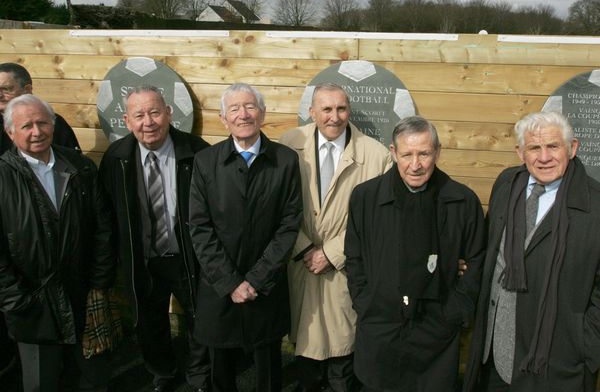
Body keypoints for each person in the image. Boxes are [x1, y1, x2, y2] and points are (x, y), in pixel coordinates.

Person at [344, 116, 486, 392]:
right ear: (393, 152)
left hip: (437, 331)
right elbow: (354, 257)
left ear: (437, 152)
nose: (415, 164)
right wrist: (366, 302)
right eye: (407, 154)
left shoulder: (462, 201)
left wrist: (454, 313)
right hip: (380, 325)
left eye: (424, 153)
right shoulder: (365, 197)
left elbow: (476, 261)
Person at [463, 111, 600, 392]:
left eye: (553, 146)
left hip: (557, 363)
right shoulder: (506, 184)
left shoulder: (594, 205)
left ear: (572, 148)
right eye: (534, 148)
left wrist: (585, 344)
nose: (544, 157)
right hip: (492, 359)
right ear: (520, 153)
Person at [188, 82, 302, 392]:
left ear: (262, 114)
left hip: (266, 286)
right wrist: (230, 283)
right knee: (221, 368)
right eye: (234, 109)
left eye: (250, 106)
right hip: (219, 287)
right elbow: (200, 227)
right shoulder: (206, 162)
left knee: (267, 367)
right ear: (223, 119)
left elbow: (289, 224)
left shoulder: (285, 161)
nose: (243, 114)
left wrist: (256, 280)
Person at [278, 83, 392, 392]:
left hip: (345, 267)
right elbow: (275, 205)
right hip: (298, 263)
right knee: (306, 351)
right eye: (326, 109)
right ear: (312, 112)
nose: (334, 116)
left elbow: (379, 219)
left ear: (349, 110)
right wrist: (303, 246)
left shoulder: (376, 155)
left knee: (343, 353)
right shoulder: (289, 143)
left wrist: (332, 253)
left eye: (341, 108)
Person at [98, 86, 211, 392]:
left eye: (154, 112)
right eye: (139, 115)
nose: (148, 122)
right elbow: (106, 213)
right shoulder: (117, 157)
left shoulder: (197, 151)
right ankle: (162, 372)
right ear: (127, 120)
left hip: (188, 256)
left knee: (199, 318)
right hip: (143, 259)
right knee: (149, 323)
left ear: (169, 113)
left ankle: (199, 375)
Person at [0, 94, 115, 392]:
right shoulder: (2, 177)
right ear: (10, 132)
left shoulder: (80, 166)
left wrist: (98, 282)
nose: (36, 132)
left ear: (53, 125)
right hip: (32, 302)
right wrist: (16, 300)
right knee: (42, 382)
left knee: (94, 377)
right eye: (26, 126)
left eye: (42, 123)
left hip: (82, 293)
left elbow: (102, 227)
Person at [0, 62, 80, 154]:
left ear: (27, 90)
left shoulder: (53, 121)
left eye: (5, 89)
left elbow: (73, 162)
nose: (0, 95)